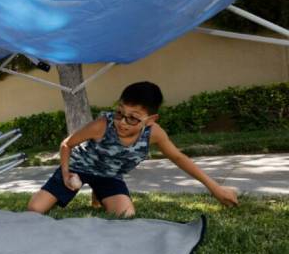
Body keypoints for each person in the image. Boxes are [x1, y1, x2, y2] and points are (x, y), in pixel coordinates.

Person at [27, 81, 239, 217]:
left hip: (110, 176)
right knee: (35, 210)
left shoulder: (154, 133)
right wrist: (65, 174)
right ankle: (91, 190)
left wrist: (216, 188)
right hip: (78, 168)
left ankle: (98, 192)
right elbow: (67, 144)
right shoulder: (102, 124)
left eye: (133, 117)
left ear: (150, 120)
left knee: (126, 216)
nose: (122, 122)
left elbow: (179, 158)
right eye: (120, 112)